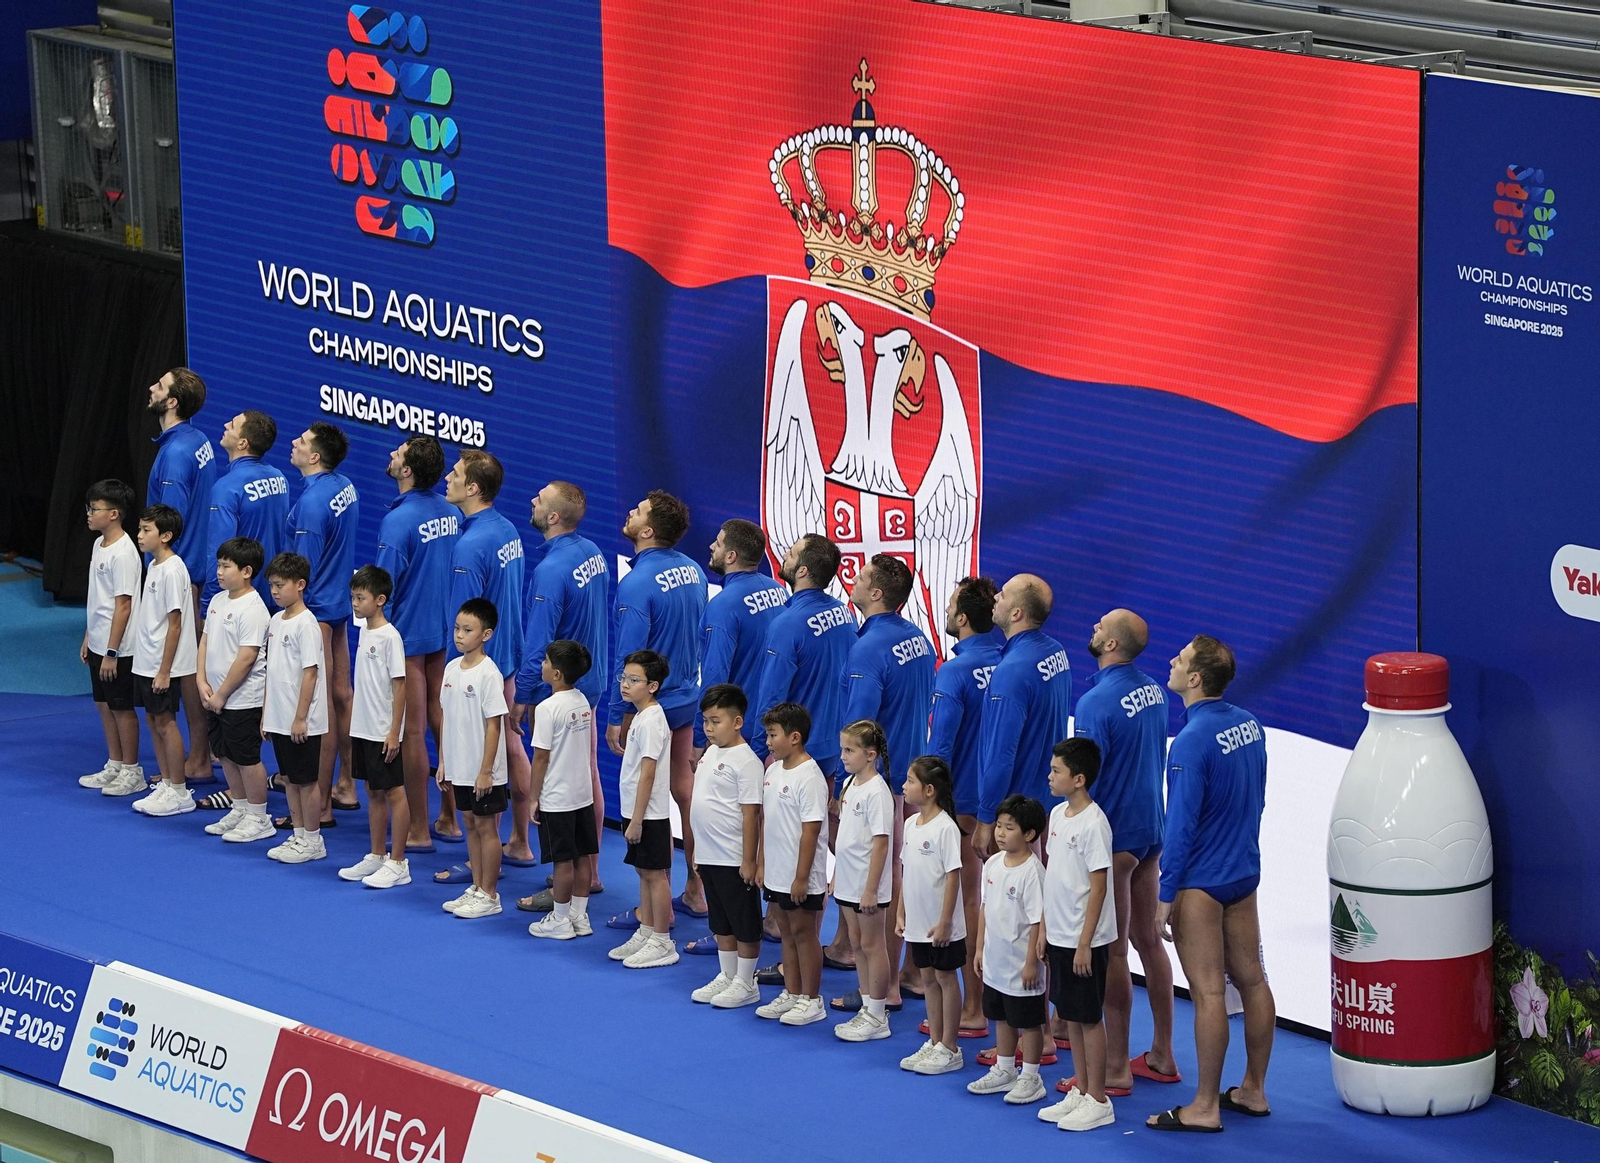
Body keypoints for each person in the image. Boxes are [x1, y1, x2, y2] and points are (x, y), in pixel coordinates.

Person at [1147, 635, 1274, 1133]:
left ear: (1195, 679)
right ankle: (1254, 1091)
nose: (1172, 664)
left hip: (1200, 882)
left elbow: (1179, 826)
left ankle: (1204, 1106)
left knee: (1208, 994)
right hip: (1243, 872)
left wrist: (1165, 893)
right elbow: (1258, 795)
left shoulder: (1191, 742)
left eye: (1179, 660)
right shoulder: (1250, 724)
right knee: (1253, 980)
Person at [1076, 609, 1179, 1093]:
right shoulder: (1156, 690)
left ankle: (1115, 1066)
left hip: (1115, 839)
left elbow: (1083, 782)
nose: (1093, 629)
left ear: (1112, 645)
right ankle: (1162, 1052)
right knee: (1148, 942)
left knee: (1114, 951)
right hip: (1151, 828)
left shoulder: (1096, 702)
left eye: (1100, 627)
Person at [750, 533, 854, 978]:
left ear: (804, 570)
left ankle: (787, 931)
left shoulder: (786, 624)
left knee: (786, 836)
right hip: (831, 747)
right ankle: (805, 931)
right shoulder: (844, 615)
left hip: (793, 753)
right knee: (820, 836)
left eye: (791, 554)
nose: (784, 558)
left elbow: (772, 697)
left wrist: (760, 751)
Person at [607, 491, 708, 919]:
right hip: (688, 699)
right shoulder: (694, 570)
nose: (629, 512)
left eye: (638, 511)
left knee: (649, 801)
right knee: (684, 795)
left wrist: (617, 714)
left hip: (654, 707)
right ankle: (697, 891)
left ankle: (655, 904)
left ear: (647, 531)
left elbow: (629, 658)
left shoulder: (636, 583)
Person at [841, 553, 935, 1005]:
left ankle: (886, 986)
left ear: (876, 594)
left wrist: (847, 784)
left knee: (883, 880)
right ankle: (911, 973)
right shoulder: (919, 639)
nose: (852, 582)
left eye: (860, 578)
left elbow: (859, 728)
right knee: (910, 877)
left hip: (885, 785)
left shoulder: (867, 649)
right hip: (915, 776)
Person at [512, 481, 609, 907]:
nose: (531, 501)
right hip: (591, 682)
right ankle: (591, 871)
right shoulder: (593, 553)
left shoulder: (551, 571)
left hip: (563, 689)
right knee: (585, 774)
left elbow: (538, 643)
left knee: (558, 782)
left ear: (553, 517)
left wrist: (524, 694)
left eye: (539, 500)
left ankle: (567, 884)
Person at [440, 450, 529, 861]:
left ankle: (488, 852)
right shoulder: (507, 529)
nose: (448, 478)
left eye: (455, 474)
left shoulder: (470, 545)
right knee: (511, 749)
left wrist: (455, 669)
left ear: (473, 488)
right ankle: (520, 842)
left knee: (490, 754)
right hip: (506, 655)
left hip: (482, 667)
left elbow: (465, 622)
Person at [926, 575, 1003, 1036]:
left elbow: (941, 745)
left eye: (952, 603)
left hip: (967, 806)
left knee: (970, 902)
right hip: (1004, 800)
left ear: (961, 618)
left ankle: (974, 1007)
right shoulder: (1007, 660)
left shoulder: (954, 672)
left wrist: (928, 800)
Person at [375, 435, 459, 854]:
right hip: (442, 633)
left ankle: (419, 829)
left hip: (407, 638)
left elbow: (382, 590)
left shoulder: (397, 522)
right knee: (440, 722)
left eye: (398, 454)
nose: (391, 455)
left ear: (407, 470)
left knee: (411, 732)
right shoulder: (451, 511)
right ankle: (449, 816)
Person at [1036, 738, 1118, 1132]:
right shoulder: (1057, 815)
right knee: (1070, 1015)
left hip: (1087, 940)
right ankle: (1082, 1090)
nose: (1049, 777)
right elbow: (1055, 878)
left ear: (1079, 779)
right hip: (1060, 935)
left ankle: (1099, 1099)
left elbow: (1098, 886)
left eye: (1056, 772)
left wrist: (1085, 942)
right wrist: (1045, 928)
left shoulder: (1094, 823)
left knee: (1088, 1018)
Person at [144, 367, 218, 783]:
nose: (152, 387)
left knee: (187, 669)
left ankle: (200, 759)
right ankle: (205, 751)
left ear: (172, 402)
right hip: (195, 567)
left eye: (160, 385)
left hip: (181, 575)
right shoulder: (197, 439)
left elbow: (168, 524)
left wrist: (158, 573)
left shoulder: (174, 455)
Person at [286, 421, 359, 825]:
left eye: (302, 441)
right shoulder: (344, 485)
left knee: (321, 710)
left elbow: (301, 572)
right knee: (341, 696)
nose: (294, 443)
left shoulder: (312, 507)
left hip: (316, 613)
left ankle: (323, 805)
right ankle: (345, 784)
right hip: (338, 605)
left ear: (315, 456)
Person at [967, 793, 1049, 1106]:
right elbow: (985, 909)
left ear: (1029, 835)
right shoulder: (991, 864)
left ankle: (1031, 1075)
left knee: (1028, 1021)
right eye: (999, 826)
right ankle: (1005, 1069)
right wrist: (978, 949)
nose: (1000, 833)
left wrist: (1031, 963)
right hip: (995, 958)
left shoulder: (1033, 872)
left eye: (1009, 828)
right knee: (1000, 1016)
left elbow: (1036, 923)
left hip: (1021, 963)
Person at [686, 683, 764, 1008]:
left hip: (734, 857)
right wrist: (698, 854)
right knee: (720, 920)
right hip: (709, 854)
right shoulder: (709, 753)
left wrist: (750, 860)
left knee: (743, 920)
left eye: (715, 721)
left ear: (737, 721)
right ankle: (728, 974)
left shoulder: (747, 762)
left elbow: (751, 816)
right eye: (705, 721)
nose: (708, 727)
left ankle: (747, 982)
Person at [753, 701, 829, 1027]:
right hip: (776, 871)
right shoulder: (772, 769)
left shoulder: (810, 777)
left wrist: (801, 878)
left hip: (801, 875)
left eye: (772, 735)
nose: (767, 742)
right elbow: (766, 821)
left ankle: (811, 1000)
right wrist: (761, 864)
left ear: (794, 737)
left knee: (803, 932)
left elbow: (810, 833)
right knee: (785, 931)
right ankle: (793, 992)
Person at [195, 537, 272, 843]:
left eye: (227, 566)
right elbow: (204, 642)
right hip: (213, 696)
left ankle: (258, 816)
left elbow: (247, 657)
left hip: (241, 699)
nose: (220, 571)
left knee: (246, 757)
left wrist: (222, 694)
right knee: (225, 753)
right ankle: (239, 809)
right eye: (219, 565)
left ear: (247, 571)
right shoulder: (217, 600)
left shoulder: (253, 609)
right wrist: (201, 681)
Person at [338, 565, 411, 889]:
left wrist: (394, 732)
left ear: (380, 600)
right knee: (372, 790)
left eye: (361, 598)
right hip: (363, 728)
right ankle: (377, 855)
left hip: (384, 731)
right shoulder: (366, 630)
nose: (355, 603)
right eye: (353, 597)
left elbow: (400, 686)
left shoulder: (390, 637)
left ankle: (399, 863)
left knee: (394, 792)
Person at [607, 650, 680, 969]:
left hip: (648, 814)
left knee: (655, 874)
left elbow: (648, 772)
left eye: (634, 680)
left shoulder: (652, 720)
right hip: (634, 809)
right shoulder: (639, 715)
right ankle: (647, 930)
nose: (625, 684)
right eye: (624, 678)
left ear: (652, 685)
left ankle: (662, 941)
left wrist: (637, 820)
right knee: (643, 872)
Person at [437, 598, 510, 919]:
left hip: (484, 771)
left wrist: (486, 771)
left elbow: (495, 726)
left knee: (486, 828)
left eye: (468, 630)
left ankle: (490, 895)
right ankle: (477, 888)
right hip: (458, 767)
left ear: (486, 635)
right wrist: (442, 762)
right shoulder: (451, 668)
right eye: (456, 628)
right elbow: (446, 719)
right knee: (469, 824)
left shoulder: (489, 674)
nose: (459, 635)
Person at [524, 639, 599, 941]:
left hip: (557, 798)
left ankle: (559, 919)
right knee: (582, 857)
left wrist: (532, 798)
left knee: (562, 861)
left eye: (544, 661)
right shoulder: (582, 700)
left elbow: (541, 757)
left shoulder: (546, 708)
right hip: (583, 795)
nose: (541, 665)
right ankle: (579, 917)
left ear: (556, 674)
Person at [896, 755, 966, 1076]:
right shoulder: (910, 824)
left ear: (928, 790)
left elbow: (953, 877)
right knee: (927, 978)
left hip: (941, 924)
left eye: (910, 781)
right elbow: (906, 870)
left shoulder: (946, 828)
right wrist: (901, 912)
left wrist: (946, 921)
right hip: (917, 922)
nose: (904, 785)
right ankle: (935, 1041)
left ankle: (950, 1047)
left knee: (945, 978)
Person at [130, 504, 198, 817]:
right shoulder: (155, 566)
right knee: (153, 720)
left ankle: (180, 791)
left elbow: (175, 624)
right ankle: (167, 783)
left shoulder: (173, 569)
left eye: (147, 530)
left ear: (166, 535)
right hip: (146, 660)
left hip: (163, 664)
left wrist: (164, 671)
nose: (140, 535)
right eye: (140, 529)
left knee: (167, 722)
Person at [260, 553, 328, 864]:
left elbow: (310, 672)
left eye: (280, 585)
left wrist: (300, 717)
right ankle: (298, 834)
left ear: (300, 585)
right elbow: (273, 671)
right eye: (271, 585)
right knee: (289, 778)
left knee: (305, 780)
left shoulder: (307, 623)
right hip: (279, 717)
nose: (274, 591)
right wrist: (267, 714)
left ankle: (313, 839)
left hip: (302, 720)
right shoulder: (275, 621)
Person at [829, 720, 894, 1042]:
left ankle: (878, 1013)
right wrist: (837, 874)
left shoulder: (877, 792)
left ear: (870, 755)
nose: (842, 756)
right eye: (842, 749)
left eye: (849, 750)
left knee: (872, 944)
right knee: (856, 944)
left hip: (868, 885)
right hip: (849, 880)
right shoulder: (851, 785)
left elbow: (881, 843)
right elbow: (846, 838)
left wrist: (871, 889)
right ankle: (867, 1005)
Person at [79, 479, 144, 796]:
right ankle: (115, 763)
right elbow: (99, 598)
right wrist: (89, 636)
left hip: (119, 647)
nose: (89, 514)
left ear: (114, 513)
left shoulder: (124, 553)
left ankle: (132, 770)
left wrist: (111, 652)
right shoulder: (99, 544)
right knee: (103, 704)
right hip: (99, 642)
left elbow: (123, 605)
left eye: (95, 509)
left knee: (121, 707)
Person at [202, 410, 288, 609]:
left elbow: (219, 552)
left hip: (238, 602)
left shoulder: (226, 488)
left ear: (242, 443)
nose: (225, 426)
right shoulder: (280, 479)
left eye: (232, 425)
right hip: (273, 596)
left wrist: (209, 605)